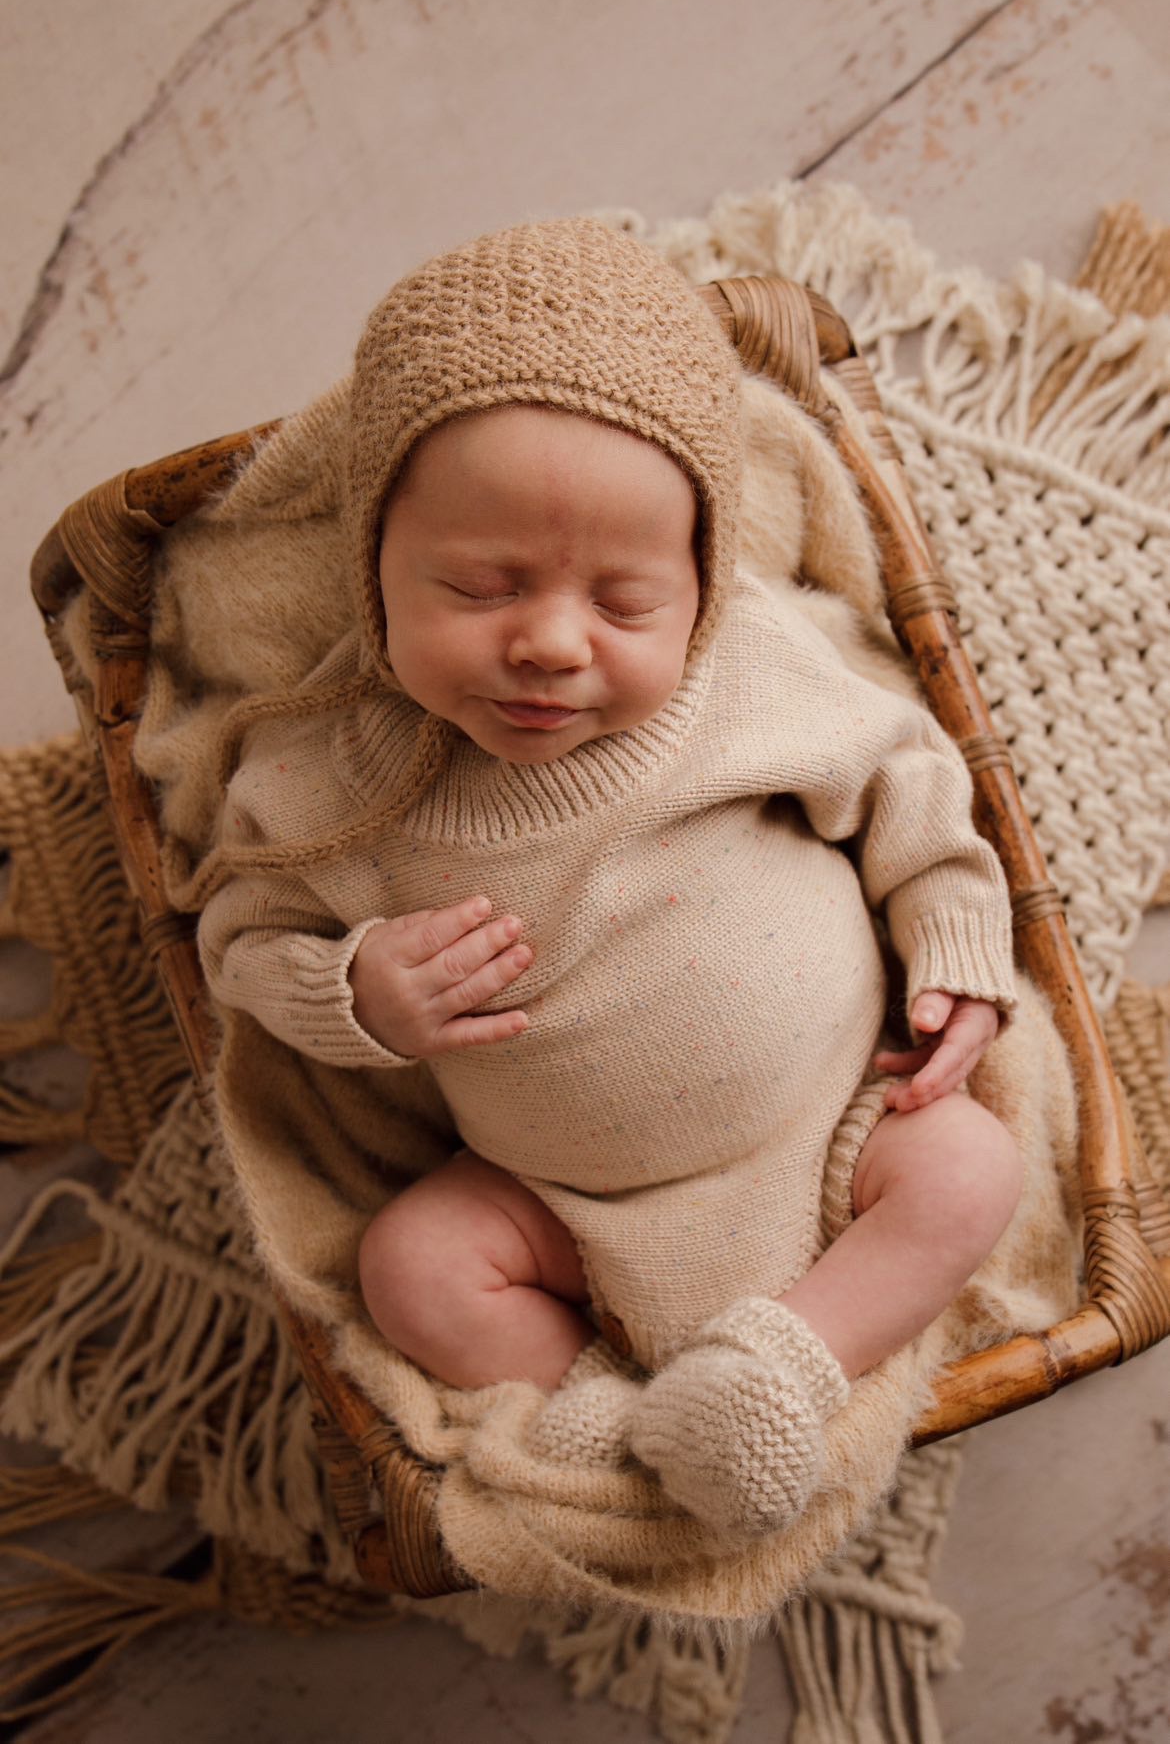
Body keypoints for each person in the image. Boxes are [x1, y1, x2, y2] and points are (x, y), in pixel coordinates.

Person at [197, 217, 1022, 1541]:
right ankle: (609, 1415)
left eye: (626, 602)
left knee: (971, 1166)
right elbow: (236, 940)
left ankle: (776, 1369)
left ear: (700, 583)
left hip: (836, 1126)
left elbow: (908, 781)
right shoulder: (335, 776)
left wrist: (953, 948)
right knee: (412, 1267)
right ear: (371, 569)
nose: (547, 643)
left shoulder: (752, 673)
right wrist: (355, 993)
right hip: (555, 1209)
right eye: (476, 586)